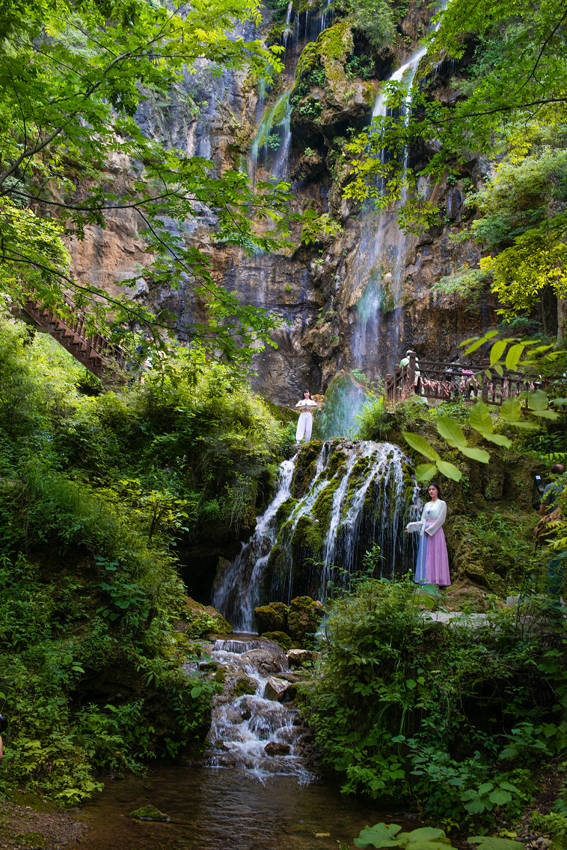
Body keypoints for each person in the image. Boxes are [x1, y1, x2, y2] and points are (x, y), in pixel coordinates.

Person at [412, 482, 451, 587]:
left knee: (436, 553)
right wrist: (411, 528)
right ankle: (426, 579)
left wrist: (430, 530)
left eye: (433, 489)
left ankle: (437, 580)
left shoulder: (442, 503)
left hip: (436, 531)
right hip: (425, 531)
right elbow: (423, 520)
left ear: (437, 490)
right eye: (429, 490)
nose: (431, 491)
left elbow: (441, 520)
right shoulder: (426, 505)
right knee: (426, 555)